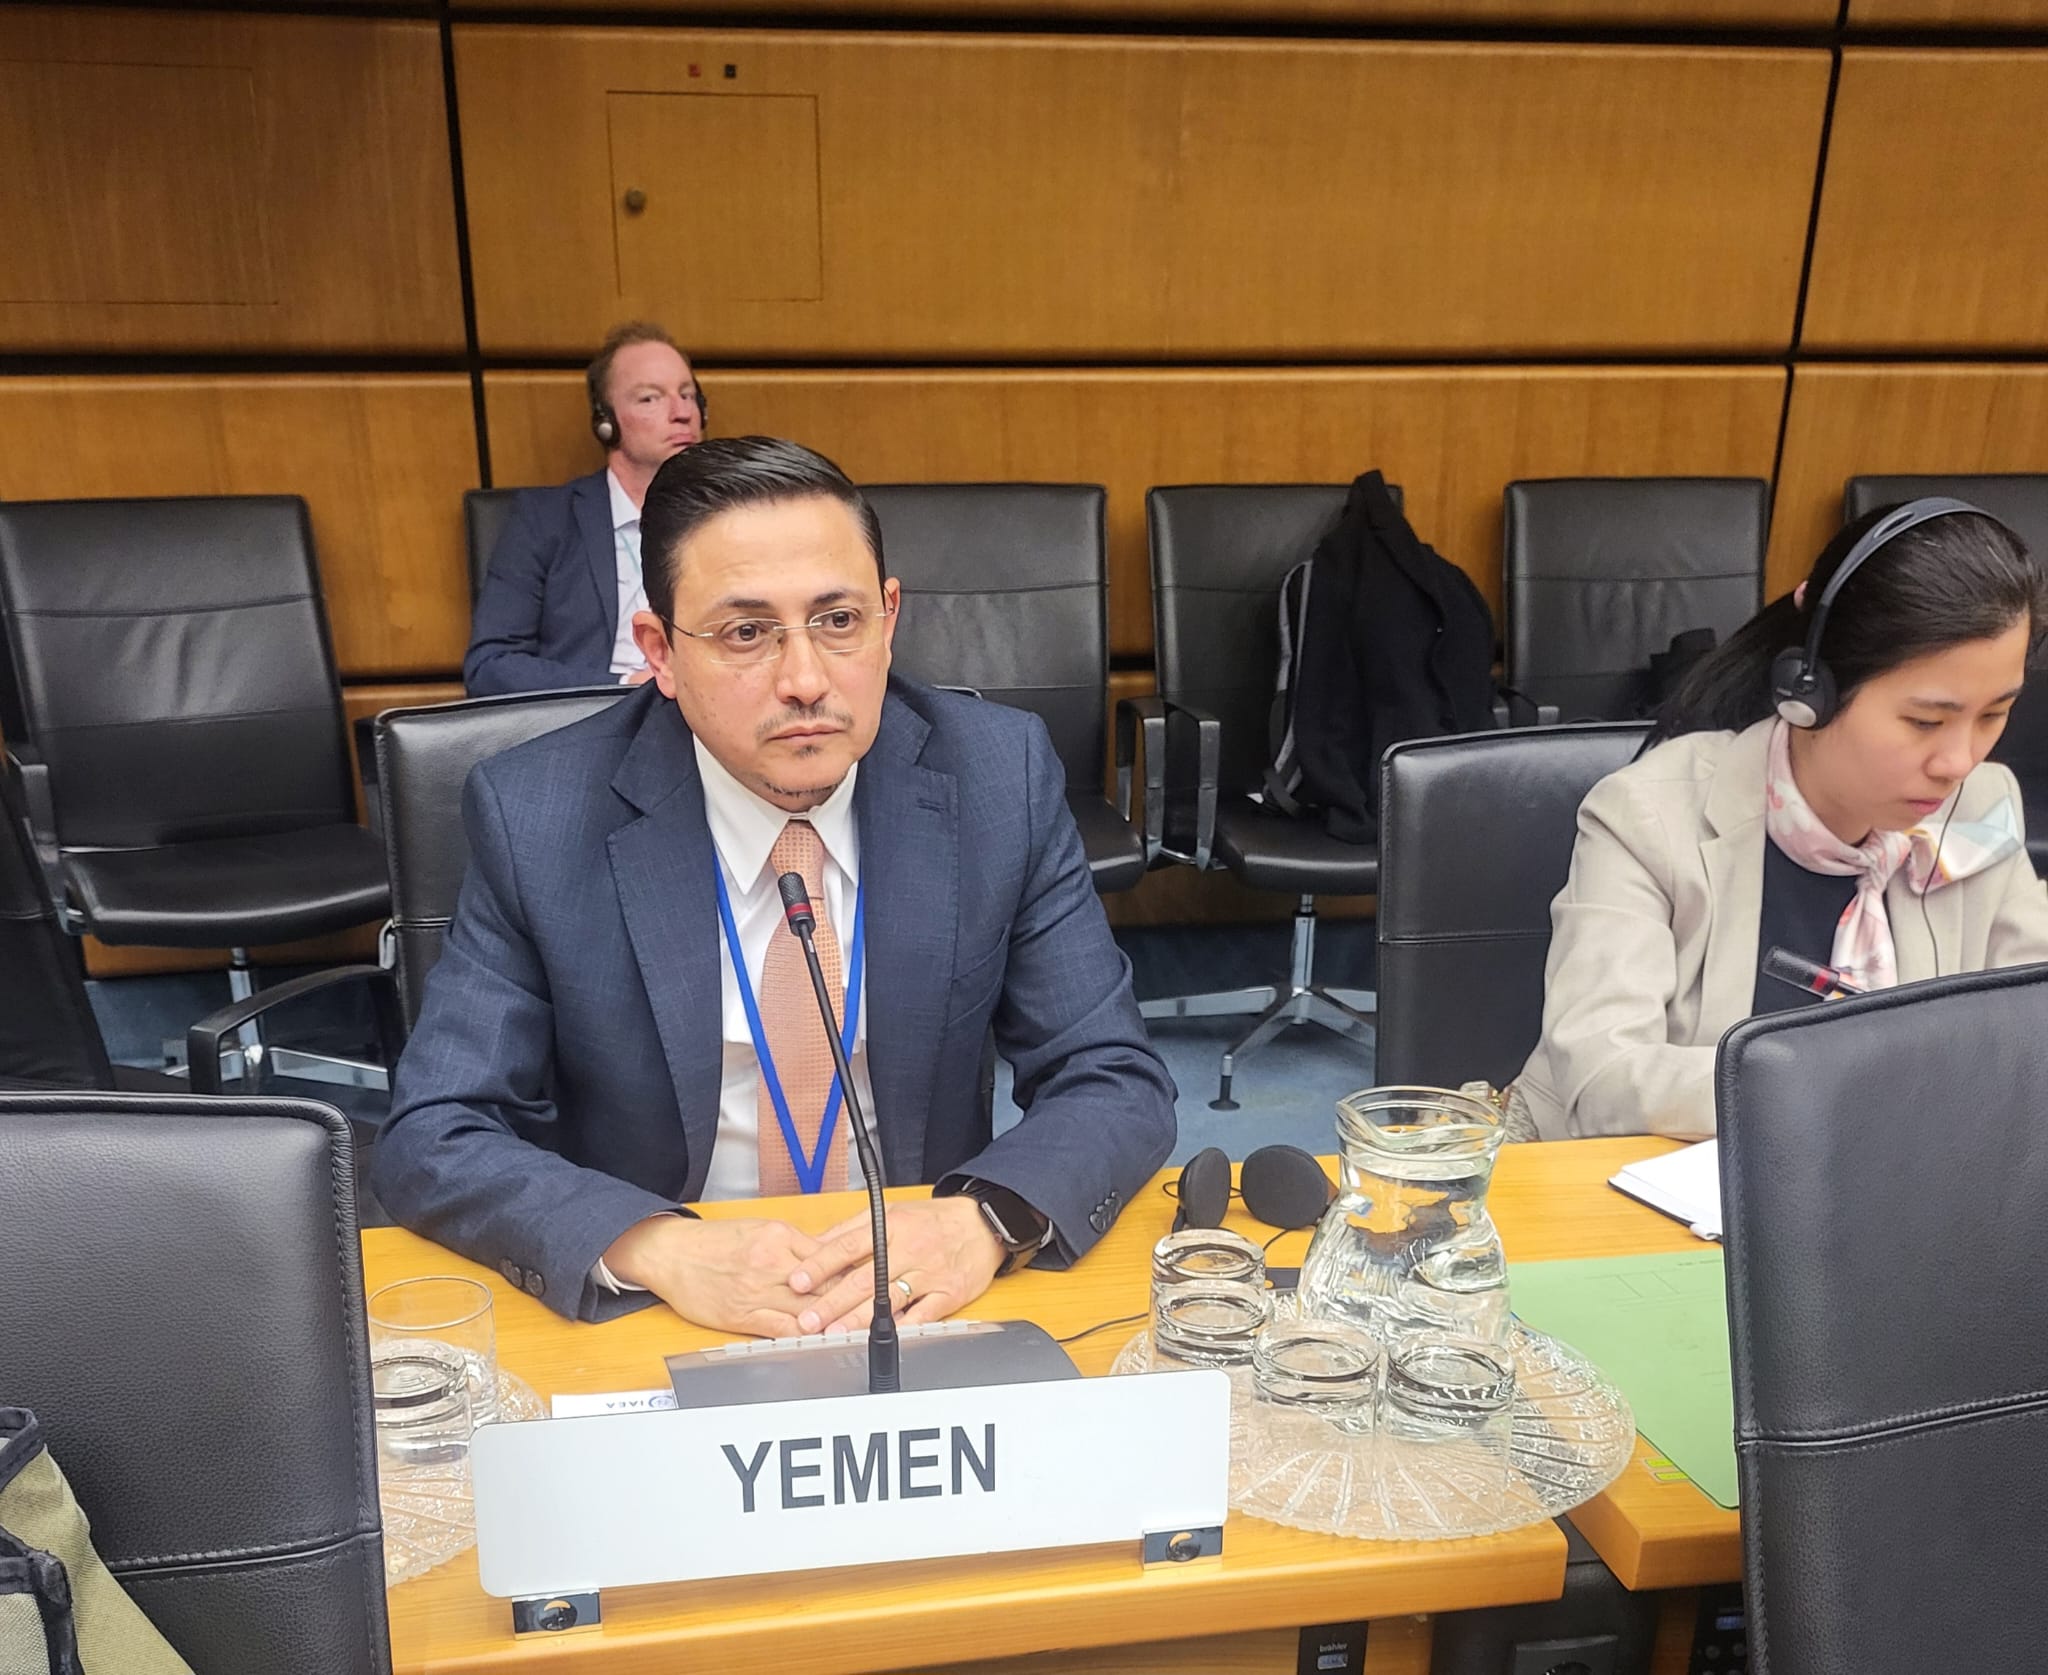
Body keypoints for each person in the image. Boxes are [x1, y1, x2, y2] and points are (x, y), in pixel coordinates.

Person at [376, 436, 1177, 1333]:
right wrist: (657, 1246)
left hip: (925, 1297)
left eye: (838, 620)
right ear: (660, 651)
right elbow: (435, 1131)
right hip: (669, 1308)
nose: (804, 680)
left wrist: (981, 1220)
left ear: (888, 619)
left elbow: (1113, 1076)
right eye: (746, 633)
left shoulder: (996, 775)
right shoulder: (541, 816)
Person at [1511, 498, 2048, 1141]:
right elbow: (1604, 1081)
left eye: (1994, 715)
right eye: (1925, 721)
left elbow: (2031, 1026)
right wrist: (1863, 1090)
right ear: (1811, 690)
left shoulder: (1982, 805)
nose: (1959, 761)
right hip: (1640, 1179)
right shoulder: (1647, 817)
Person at [463, 321, 706, 695]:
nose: (682, 412)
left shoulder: (728, 518)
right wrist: (624, 685)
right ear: (605, 422)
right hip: (598, 713)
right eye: (650, 398)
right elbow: (491, 667)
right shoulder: (543, 519)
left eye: (688, 395)